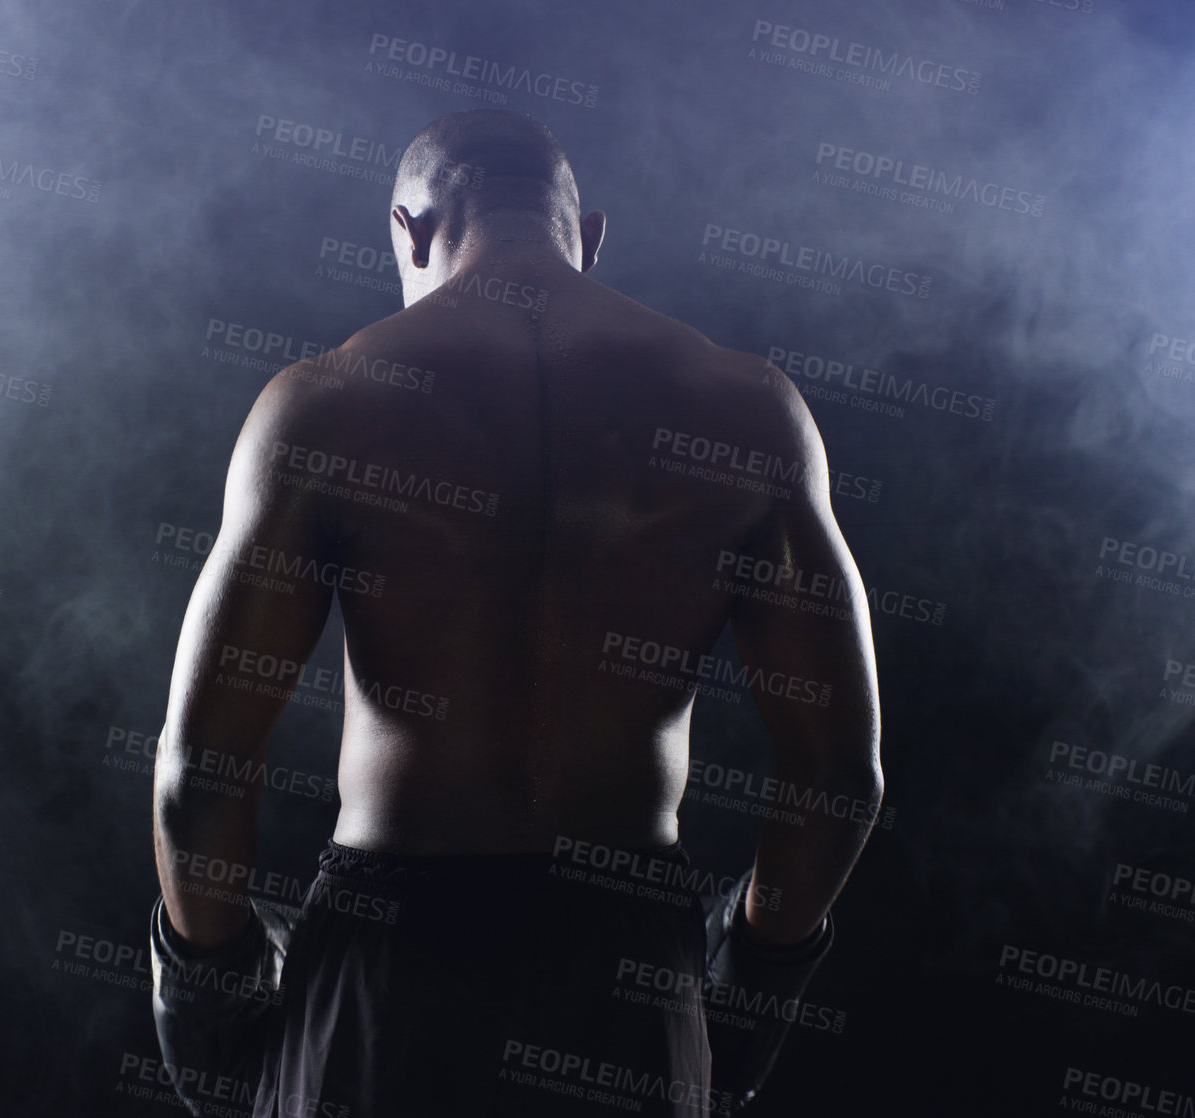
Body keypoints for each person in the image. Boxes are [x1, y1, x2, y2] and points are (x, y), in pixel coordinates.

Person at [150, 109, 882, 1117]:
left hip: (390, 962)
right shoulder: (749, 411)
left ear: (406, 229)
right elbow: (840, 776)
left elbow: (199, 774)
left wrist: (209, 988)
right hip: (627, 968)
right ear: (589, 235)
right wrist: (751, 974)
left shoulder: (323, 405)